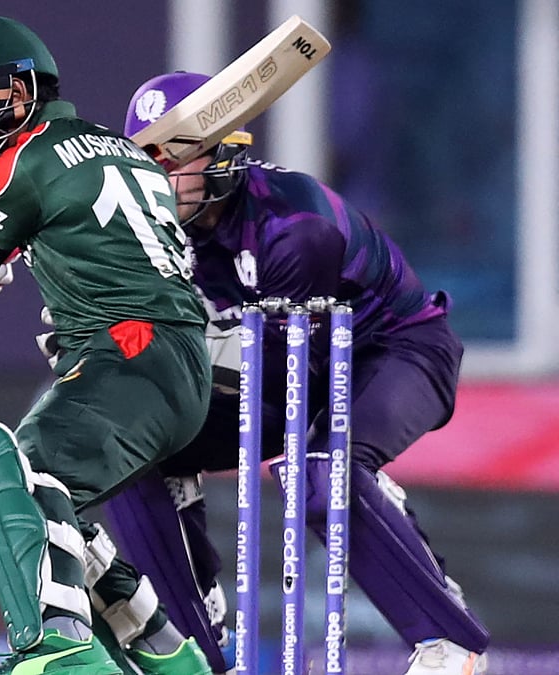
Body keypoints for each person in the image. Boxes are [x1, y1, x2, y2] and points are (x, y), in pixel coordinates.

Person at [99, 71, 491, 675]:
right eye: (147, 160)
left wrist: (194, 347)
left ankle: (448, 643)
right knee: (133, 451)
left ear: (226, 149)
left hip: (393, 350)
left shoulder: (294, 226)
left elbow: (290, 387)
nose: (161, 177)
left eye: (177, 156)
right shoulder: (152, 234)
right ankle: (196, 651)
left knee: (319, 472)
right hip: (277, 362)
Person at [0, 17, 216, 675]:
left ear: (16, 90)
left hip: (130, 349)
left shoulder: (23, 160)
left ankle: (64, 650)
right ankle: (169, 659)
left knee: (12, 470)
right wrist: (4, 242)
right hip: (173, 360)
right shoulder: (120, 149)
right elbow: (88, 221)